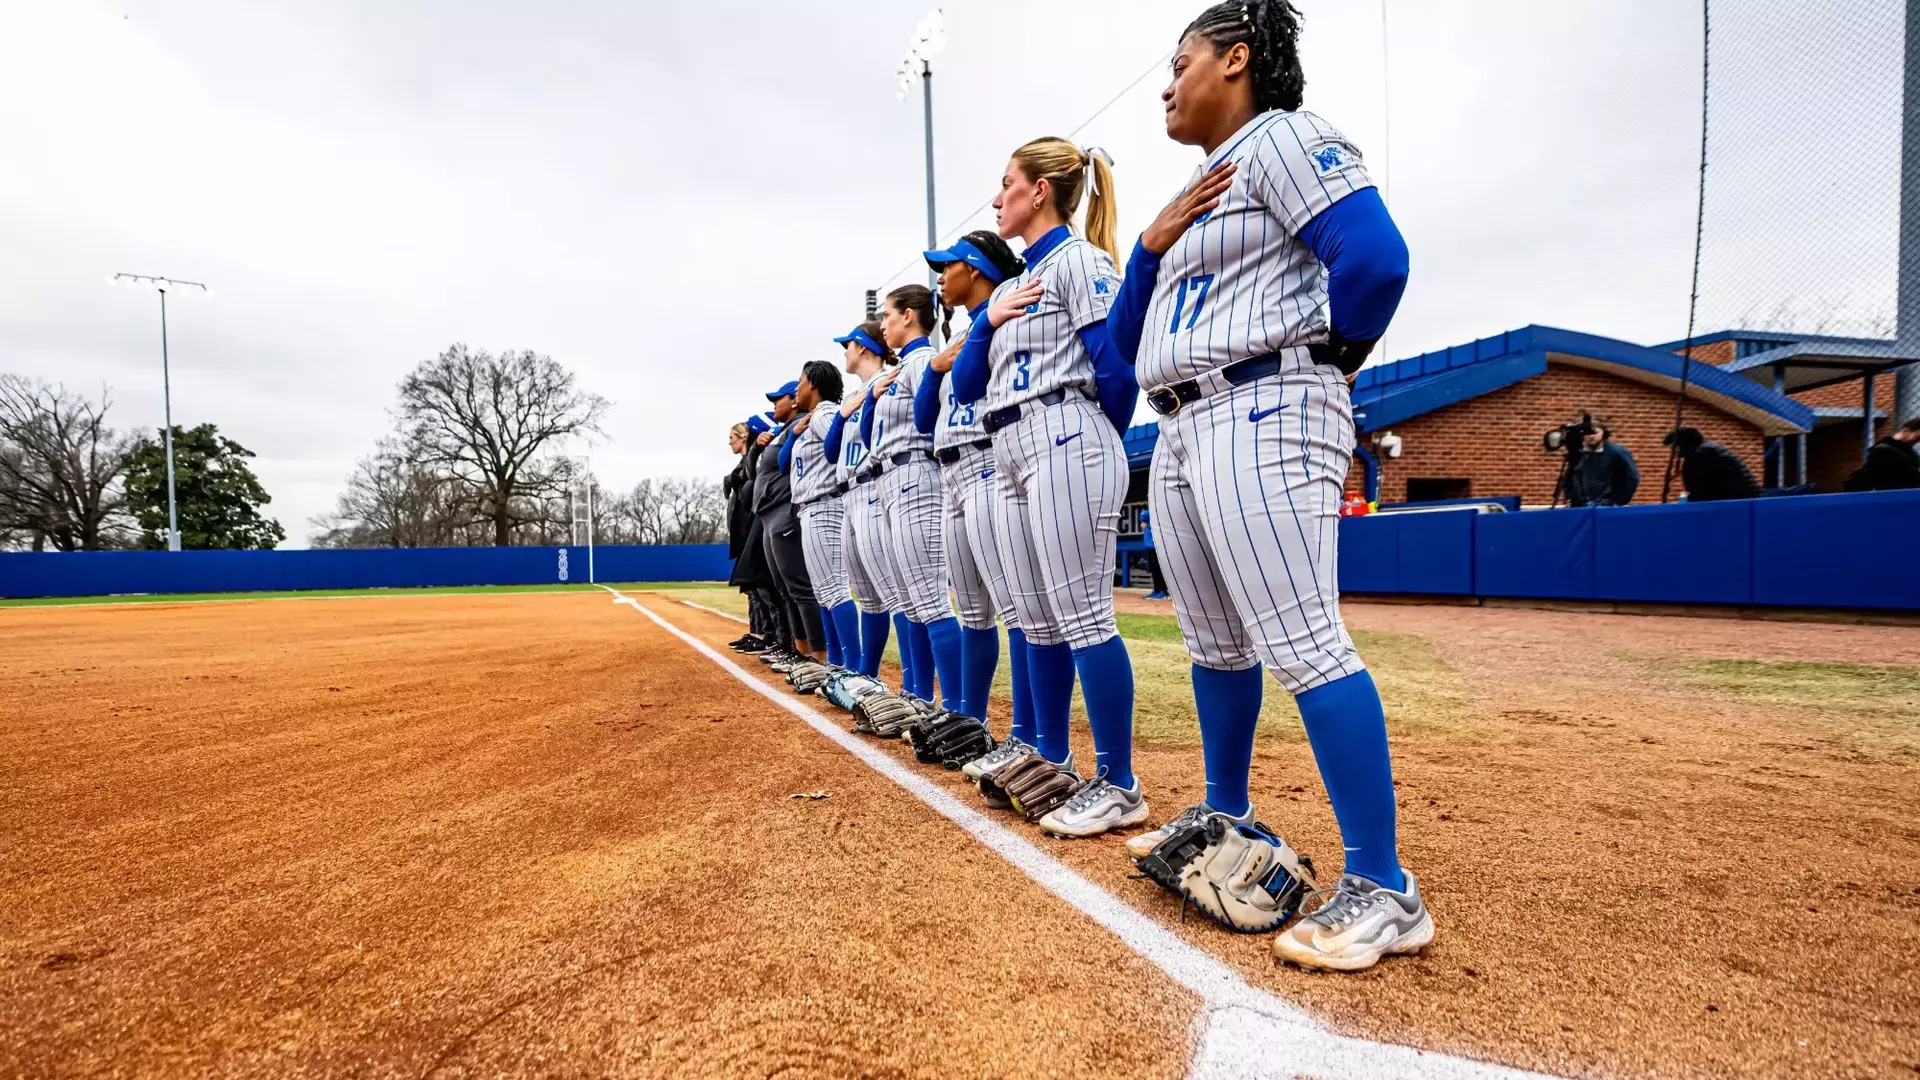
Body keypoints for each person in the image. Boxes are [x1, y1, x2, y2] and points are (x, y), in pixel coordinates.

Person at [1106, 0, 1428, 972]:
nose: (1167, 83)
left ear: (1238, 58)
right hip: (1182, 423)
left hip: (1266, 400)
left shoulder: (1285, 138)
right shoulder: (1197, 191)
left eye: (1183, 60)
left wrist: (1334, 357)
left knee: (1301, 639)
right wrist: (1149, 250)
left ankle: (1385, 886)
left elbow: (1375, 260)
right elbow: (1121, 351)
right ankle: (1225, 812)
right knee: (1214, 639)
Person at [950, 134, 1143, 839]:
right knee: (1034, 616)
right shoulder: (1004, 291)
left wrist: (1096, 441)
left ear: (1040, 191)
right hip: (1008, 444)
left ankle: (1120, 780)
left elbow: (1117, 370)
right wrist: (985, 325)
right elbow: (966, 389)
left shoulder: (1081, 263)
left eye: (1007, 183)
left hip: (1066, 432)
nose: (997, 197)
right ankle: (1051, 753)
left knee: (1084, 614)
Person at [916, 230, 1034, 741]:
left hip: (991, 461)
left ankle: (1029, 734)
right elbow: (925, 419)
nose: (941, 278)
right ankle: (971, 719)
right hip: (951, 474)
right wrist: (933, 371)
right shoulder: (962, 335)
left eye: (949, 267)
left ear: (976, 269)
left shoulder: (1011, 312)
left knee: (1019, 609)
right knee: (973, 612)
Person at [866, 285, 962, 711]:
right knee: (909, 598)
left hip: (916, 474)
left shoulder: (923, 360)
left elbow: (933, 418)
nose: (882, 323)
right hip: (892, 479)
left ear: (908, 316)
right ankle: (919, 694)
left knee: (927, 595)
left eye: (887, 315)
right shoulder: (903, 365)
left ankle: (957, 707)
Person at [825, 323, 904, 686]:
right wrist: (842, 416)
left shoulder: (889, 379)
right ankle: (867, 675)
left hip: (874, 486)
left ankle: (913, 683)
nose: (845, 351)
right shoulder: (851, 396)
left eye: (849, 345)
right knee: (867, 596)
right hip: (848, 495)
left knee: (893, 591)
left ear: (865, 348)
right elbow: (830, 452)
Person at [782, 360, 854, 669]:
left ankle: (851, 666)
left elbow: (844, 443)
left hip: (825, 504)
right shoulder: (813, 417)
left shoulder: (825, 413)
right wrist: (795, 433)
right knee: (824, 592)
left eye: (800, 380)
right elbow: (784, 463)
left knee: (834, 588)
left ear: (813, 383)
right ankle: (836, 665)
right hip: (811, 507)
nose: (796, 387)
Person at [753, 381, 823, 667]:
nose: (773, 404)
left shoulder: (800, 423)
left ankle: (817, 657)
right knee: (785, 589)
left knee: (800, 588)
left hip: (785, 509)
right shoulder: (782, 430)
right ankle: (800, 651)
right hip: (769, 512)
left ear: (793, 400)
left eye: (777, 399)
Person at [724, 421, 771, 653]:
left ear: (743, 437)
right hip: (742, 531)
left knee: (757, 585)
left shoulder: (753, 462)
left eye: (732, 436)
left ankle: (763, 633)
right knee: (750, 587)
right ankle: (756, 631)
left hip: (752, 528)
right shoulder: (745, 463)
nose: (729, 441)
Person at [1663, 426, 1761, 502]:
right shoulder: (1706, 450)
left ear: (1685, 444)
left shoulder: (1703, 454)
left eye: (1676, 446)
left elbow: (1699, 489)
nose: (1675, 451)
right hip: (1741, 499)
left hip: (1737, 502)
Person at [1568, 416, 1640, 507]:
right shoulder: (1580, 455)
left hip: (1608, 505)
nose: (1591, 436)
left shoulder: (1617, 452)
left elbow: (1632, 477)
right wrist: (1570, 499)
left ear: (1603, 433)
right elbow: (1570, 478)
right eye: (1587, 433)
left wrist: (1620, 501)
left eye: (1595, 432)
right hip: (1585, 506)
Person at [1846, 417, 1920, 491]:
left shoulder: (1906, 453)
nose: (1917, 442)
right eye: (1917, 438)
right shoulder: (1885, 451)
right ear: (1905, 431)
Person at [1140, 507, 1169, 600]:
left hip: (1155, 545)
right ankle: (1157, 590)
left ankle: (1162, 591)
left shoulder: (1154, 512)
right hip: (1150, 545)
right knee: (1154, 569)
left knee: (1157, 569)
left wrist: (1145, 521)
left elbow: (1143, 514)